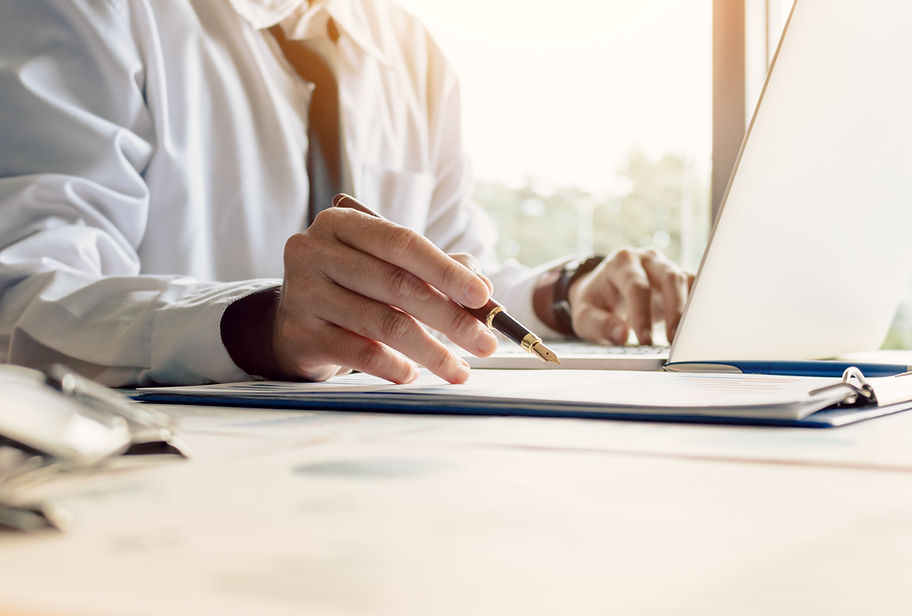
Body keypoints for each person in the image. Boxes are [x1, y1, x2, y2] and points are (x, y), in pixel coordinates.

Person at [0, 0, 692, 387]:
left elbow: (447, 274)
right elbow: (26, 299)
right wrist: (256, 328)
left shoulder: (412, 51)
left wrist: (564, 294)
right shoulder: (89, 11)